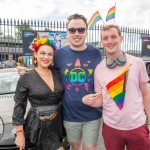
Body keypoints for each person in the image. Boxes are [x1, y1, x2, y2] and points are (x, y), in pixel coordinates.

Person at [17, 14, 103, 150]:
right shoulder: (60, 54)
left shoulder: (96, 53)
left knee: (91, 148)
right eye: (72, 30)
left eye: (81, 30)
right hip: (69, 114)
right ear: (67, 32)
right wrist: (28, 71)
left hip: (92, 113)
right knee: (75, 146)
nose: (76, 33)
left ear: (87, 32)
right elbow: (45, 68)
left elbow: (104, 78)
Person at [93, 24, 150, 150]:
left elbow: (146, 94)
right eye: (105, 38)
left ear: (121, 38)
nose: (110, 41)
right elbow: (99, 99)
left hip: (138, 126)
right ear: (102, 42)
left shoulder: (137, 63)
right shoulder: (99, 69)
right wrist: (86, 100)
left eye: (113, 37)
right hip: (111, 128)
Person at [12, 37, 64, 150]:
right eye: (43, 53)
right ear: (35, 54)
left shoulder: (58, 74)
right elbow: (19, 105)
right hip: (37, 126)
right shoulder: (26, 78)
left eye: (50, 54)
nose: (46, 57)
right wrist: (20, 133)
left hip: (57, 124)